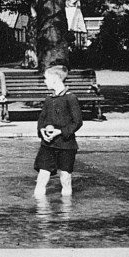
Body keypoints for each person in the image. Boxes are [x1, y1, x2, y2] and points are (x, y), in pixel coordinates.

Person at [33, 65, 83, 197]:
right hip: (48, 144)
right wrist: (42, 130)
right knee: (42, 176)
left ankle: (66, 211)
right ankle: (40, 212)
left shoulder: (71, 98)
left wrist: (60, 132)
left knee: (65, 177)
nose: (44, 81)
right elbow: (42, 119)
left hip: (66, 144)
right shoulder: (49, 99)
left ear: (55, 79)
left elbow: (77, 122)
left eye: (46, 78)